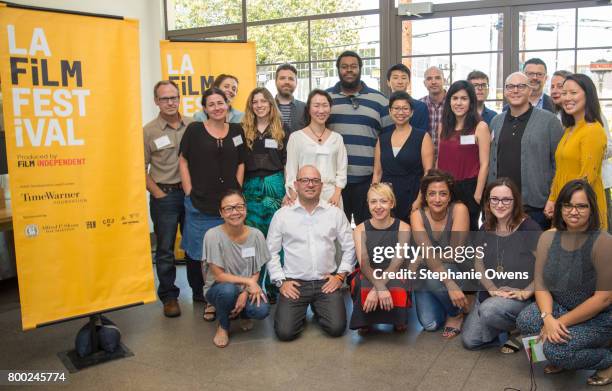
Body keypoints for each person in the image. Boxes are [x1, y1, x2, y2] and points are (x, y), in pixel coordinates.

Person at [517, 180, 612, 386]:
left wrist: (560, 323)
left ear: (592, 208)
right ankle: (566, 355)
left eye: (581, 206)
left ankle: (607, 359)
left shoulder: (603, 241)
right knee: (526, 320)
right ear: (559, 207)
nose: (573, 211)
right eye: (567, 205)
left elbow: (604, 299)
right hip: (561, 308)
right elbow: (540, 282)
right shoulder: (548, 237)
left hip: (599, 317)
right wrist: (548, 317)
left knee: (555, 351)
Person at [179, 87, 247, 321]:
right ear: (205, 108)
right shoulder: (195, 130)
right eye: (212, 104)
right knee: (204, 256)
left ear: (228, 104)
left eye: (221, 102)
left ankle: (233, 297)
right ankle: (211, 300)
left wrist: (236, 190)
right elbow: (183, 160)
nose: (217, 107)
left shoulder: (237, 130)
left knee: (230, 253)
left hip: (229, 206)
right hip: (200, 203)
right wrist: (188, 191)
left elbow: (241, 162)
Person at [267, 165, 356, 341]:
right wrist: (281, 282)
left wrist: (339, 277)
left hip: (326, 282)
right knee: (285, 333)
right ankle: (302, 309)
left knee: (337, 328)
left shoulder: (335, 213)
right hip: (295, 284)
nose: (310, 185)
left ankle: (318, 306)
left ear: (321, 185)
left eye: (315, 180)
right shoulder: (282, 215)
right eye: (305, 180)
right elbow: (271, 251)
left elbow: (350, 246)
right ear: (296, 184)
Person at [462, 178, 542, 352]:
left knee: (490, 310)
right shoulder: (486, 227)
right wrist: (490, 288)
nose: (500, 204)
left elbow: (546, 266)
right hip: (491, 295)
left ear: (515, 201)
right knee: (470, 341)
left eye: (506, 199)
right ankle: (507, 328)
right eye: (494, 199)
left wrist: (528, 290)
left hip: (521, 299)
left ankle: (524, 328)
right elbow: (478, 263)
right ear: (488, 201)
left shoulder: (529, 228)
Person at [144, 80, 196, 317]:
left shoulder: (193, 126)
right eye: (164, 98)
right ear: (156, 101)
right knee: (165, 248)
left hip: (190, 195)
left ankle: (199, 291)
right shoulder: (149, 131)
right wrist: (157, 193)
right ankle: (169, 296)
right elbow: (139, 168)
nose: (170, 102)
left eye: (174, 97)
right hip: (164, 195)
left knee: (193, 245)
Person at [488, 72, 564, 230]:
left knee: (536, 252)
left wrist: (553, 197)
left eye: (521, 86)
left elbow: (559, 164)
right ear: (505, 91)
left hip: (535, 206)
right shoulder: (496, 121)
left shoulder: (549, 121)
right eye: (510, 86)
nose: (515, 90)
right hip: (501, 204)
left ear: (530, 90)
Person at [326, 50, 393, 225]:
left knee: (369, 230)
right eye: (344, 67)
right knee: (336, 232)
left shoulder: (379, 100)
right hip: (334, 182)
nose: (349, 70)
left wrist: (380, 179)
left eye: (353, 67)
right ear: (338, 70)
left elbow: (388, 139)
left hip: (368, 180)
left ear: (360, 69)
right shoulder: (326, 99)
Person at [203, 190, 271, 348]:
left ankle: (243, 313)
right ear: (221, 213)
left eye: (239, 207)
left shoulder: (256, 235)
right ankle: (223, 326)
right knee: (228, 291)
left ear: (245, 209)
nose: (235, 212)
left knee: (262, 310)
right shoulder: (212, 235)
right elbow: (219, 276)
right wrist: (248, 283)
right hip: (219, 289)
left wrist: (246, 292)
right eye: (228, 208)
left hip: (245, 287)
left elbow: (256, 270)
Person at [410, 169, 471, 338]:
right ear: (425, 196)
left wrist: (423, 257)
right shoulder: (417, 216)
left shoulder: (459, 209)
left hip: (457, 268)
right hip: (430, 272)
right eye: (432, 194)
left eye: (443, 194)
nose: (437, 199)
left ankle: (456, 313)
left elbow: (455, 253)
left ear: (450, 196)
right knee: (430, 324)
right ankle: (451, 301)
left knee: (432, 276)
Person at [242, 87, 289, 301]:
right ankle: (254, 284)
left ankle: (274, 285)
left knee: (275, 238)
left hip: (275, 187)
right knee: (253, 239)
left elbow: (288, 163)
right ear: (251, 106)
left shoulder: (283, 130)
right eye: (255, 102)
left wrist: (289, 191)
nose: (259, 105)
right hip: (250, 189)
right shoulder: (243, 130)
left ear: (271, 104)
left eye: (263, 101)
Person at [545, 74, 608, 229]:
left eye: (573, 93)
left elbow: (587, 179)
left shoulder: (593, 130)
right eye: (564, 93)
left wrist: (571, 208)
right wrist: (552, 199)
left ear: (588, 95)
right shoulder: (569, 129)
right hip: (565, 204)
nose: (567, 98)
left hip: (581, 209)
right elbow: (561, 171)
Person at [349, 183, 411, 334]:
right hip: (369, 270)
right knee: (359, 282)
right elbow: (364, 263)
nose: (378, 206)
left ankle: (398, 319)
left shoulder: (404, 228)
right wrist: (380, 286)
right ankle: (365, 320)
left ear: (392, 203)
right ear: (368, 204)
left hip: (395, 270)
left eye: (383, 201)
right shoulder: (359, 229)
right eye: (373, 201)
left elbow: (397, 263)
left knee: (398, 282)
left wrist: (378, 288)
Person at [437, 80, 490, 231]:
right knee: (445, 231)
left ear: (471, 102)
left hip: (469, 188)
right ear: (449, 101)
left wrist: (478, 195)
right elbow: (439, 158)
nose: (458, 103)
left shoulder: (480, 127)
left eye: (464, 98)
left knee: (468, 234)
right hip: (444, 187)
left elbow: (485, 164)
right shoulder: (443, 126)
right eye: (455, 98)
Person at [373, 91, 434, 221]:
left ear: (411, 112)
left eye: (405, 108)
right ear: (390, 111)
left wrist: (420, 199)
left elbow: (428, 173)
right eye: (396, 108)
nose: (400, 112)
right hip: (386, 198)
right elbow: (377, 173)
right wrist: (374, 198)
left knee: (412, 237)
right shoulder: (382, 139)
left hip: (412, 195)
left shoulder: (422, 137)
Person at [285, 89, 347, 208]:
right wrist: (293, 194)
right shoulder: (296, 138)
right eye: (316, 105)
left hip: (331, 196)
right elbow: (291, 171)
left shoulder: (337, 138)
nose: (321, 110)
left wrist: (337, 194)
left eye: (325, 105)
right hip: (304, 195)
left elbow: (342, 170)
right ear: (308, 109)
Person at [385, 63, 430, 131]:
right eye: (395, 78)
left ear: (409, 81)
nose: (400, 82)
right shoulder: (383, 106)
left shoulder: (421, 107)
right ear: (388, 82)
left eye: (403, 78)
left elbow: (423, 135)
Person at [420, 66, 447, 160]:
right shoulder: (419, 105)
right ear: (424, 83)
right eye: (429, 78)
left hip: (449, 158)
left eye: (438, 78)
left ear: (445, 80)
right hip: (424, 160)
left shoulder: (454, 104)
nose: (433, 82)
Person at [274, 63, 306, 134]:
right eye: (282, 78)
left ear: (296, 83)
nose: (286, 82)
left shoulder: (305, 108)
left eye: (291, 79)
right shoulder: (267, 107)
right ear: (275, 82)